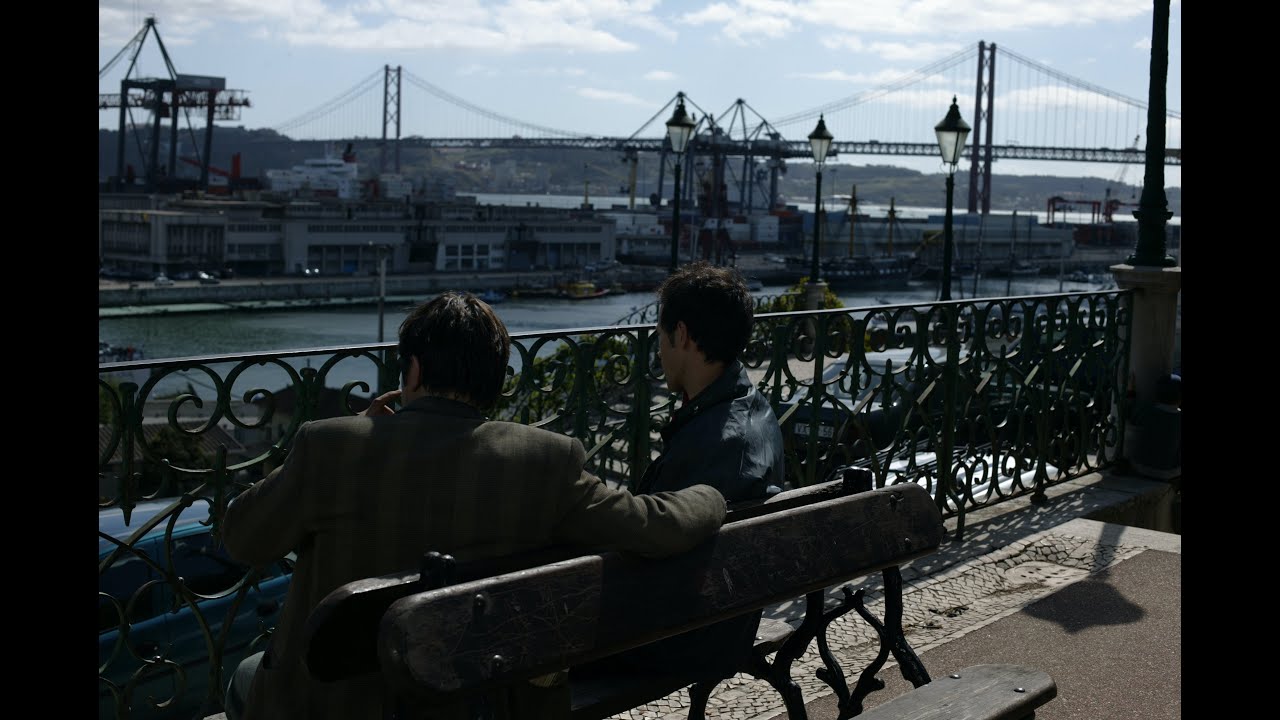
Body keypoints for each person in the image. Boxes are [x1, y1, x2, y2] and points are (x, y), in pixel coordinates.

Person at [221, 291, 729, 720]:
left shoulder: (331, 447)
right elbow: (657, 526)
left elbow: (241, 537)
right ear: (493, 380)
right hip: (483, 704)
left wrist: (356, 433)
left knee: (245, 677)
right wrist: (713, 494)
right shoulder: (544, 460)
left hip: (337, 704)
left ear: (413, 368)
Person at [576, 261, 785, 684]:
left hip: (683, 634)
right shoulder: (754, 412)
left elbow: (643, 542)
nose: (658, 352)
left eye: (661, 338)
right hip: (727, 617)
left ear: (683, 335)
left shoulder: (715, 443)